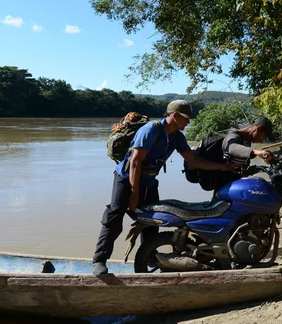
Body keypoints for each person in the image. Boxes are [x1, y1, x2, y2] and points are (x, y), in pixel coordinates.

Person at [92, 100, 237, 275]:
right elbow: (135, 163)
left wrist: (223, 167)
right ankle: (99, 261)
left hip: (149, 181)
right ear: (175, 116)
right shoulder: (151, 130)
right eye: (186, 118)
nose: (188, 122)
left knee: (153, 220)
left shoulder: (176, 137)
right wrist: (135, 192)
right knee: (114, 218)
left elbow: (194, 160)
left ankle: (149, 256)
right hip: (126, 179)